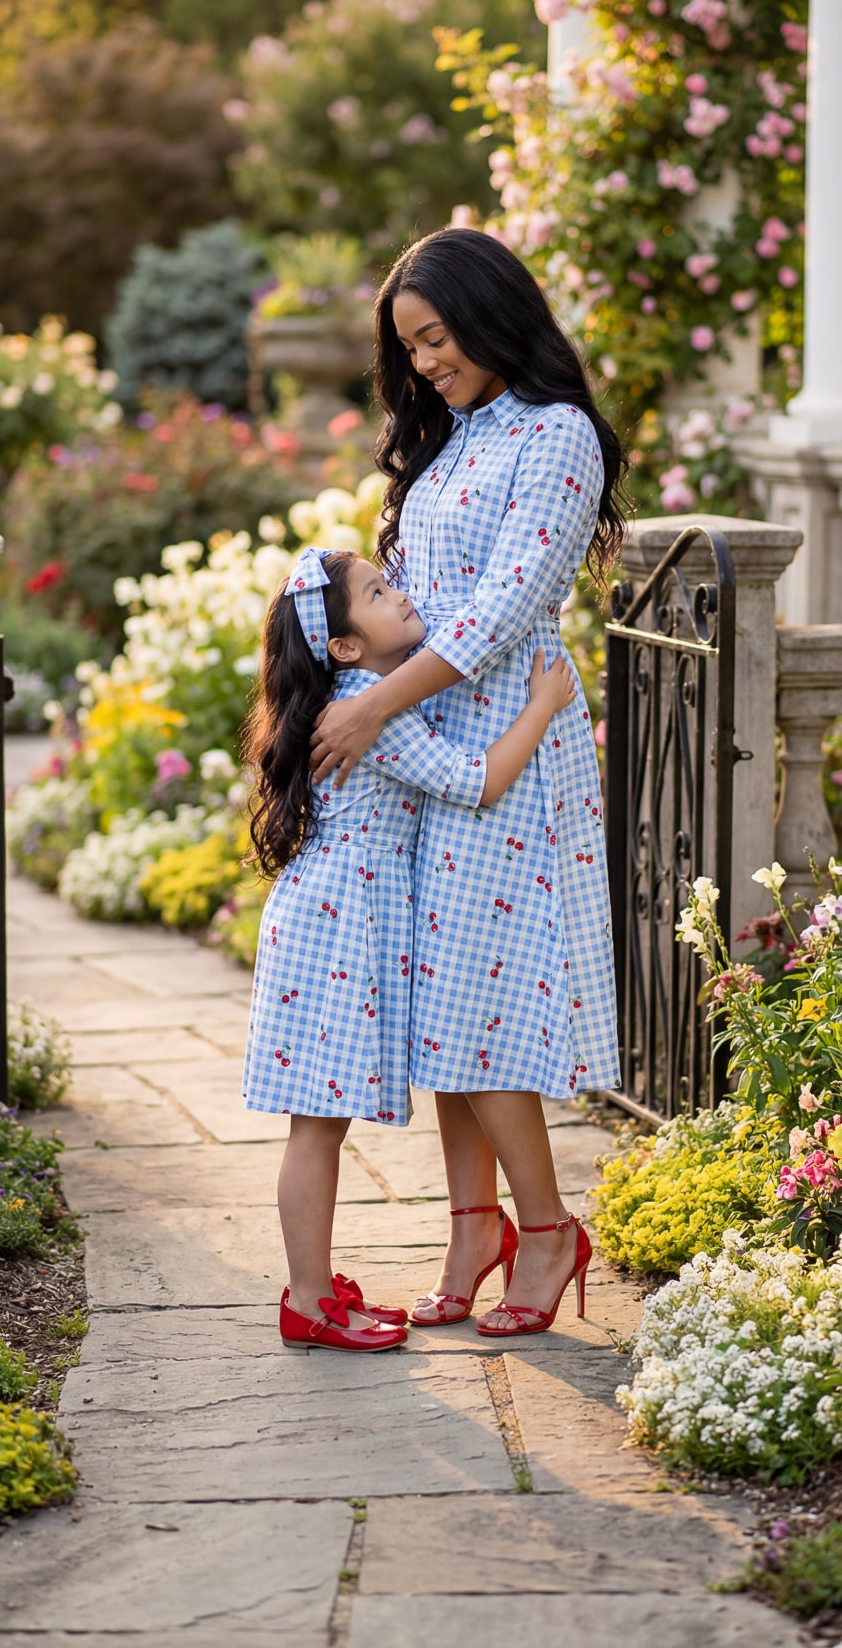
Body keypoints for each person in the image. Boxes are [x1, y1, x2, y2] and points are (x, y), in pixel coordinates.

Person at [310, 226, 626, 1338]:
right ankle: (472, 1224)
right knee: (443, 1001)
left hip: (508, 748)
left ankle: (546, 1232)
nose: (426, 363)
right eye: (412, 348)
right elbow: (417, 591)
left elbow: (496, 617)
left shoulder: (557, 438)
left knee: (481, 1003)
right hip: (431, 743)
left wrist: (371, 707)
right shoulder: (454, 436)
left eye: (437, 337)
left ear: (491, 315)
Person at [241, 542, 577, 1353]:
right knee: (318, 1128)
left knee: (317, 1124)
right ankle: (311, 1299)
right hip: (338, 928)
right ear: (346, 646)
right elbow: (479, 780)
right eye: (379, 592)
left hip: (325, 918)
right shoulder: (369, 711)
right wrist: (543, 702)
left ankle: (315, 1288)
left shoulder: (359, 693)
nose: (400, 595)